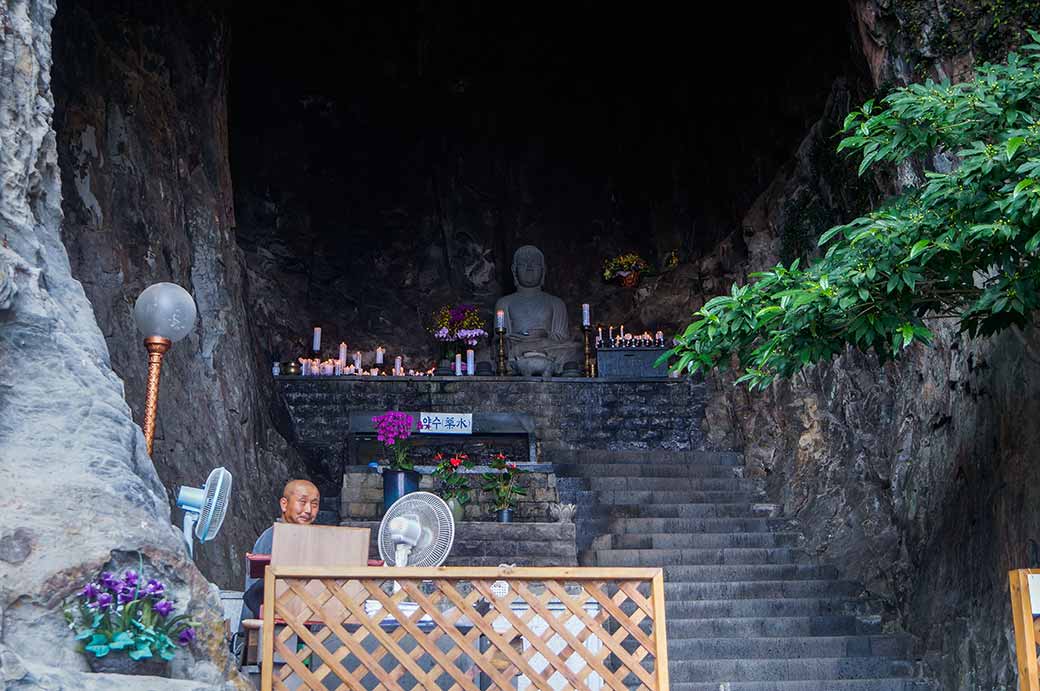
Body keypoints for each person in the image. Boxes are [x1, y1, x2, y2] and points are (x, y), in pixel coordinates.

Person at [242, 479, 320, 619]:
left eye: (314, 504)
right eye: (302, 502)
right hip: (271, 619)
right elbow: (255, 593)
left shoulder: (311, 539)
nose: (308, 510)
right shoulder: (272, 538)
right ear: (284, 504)